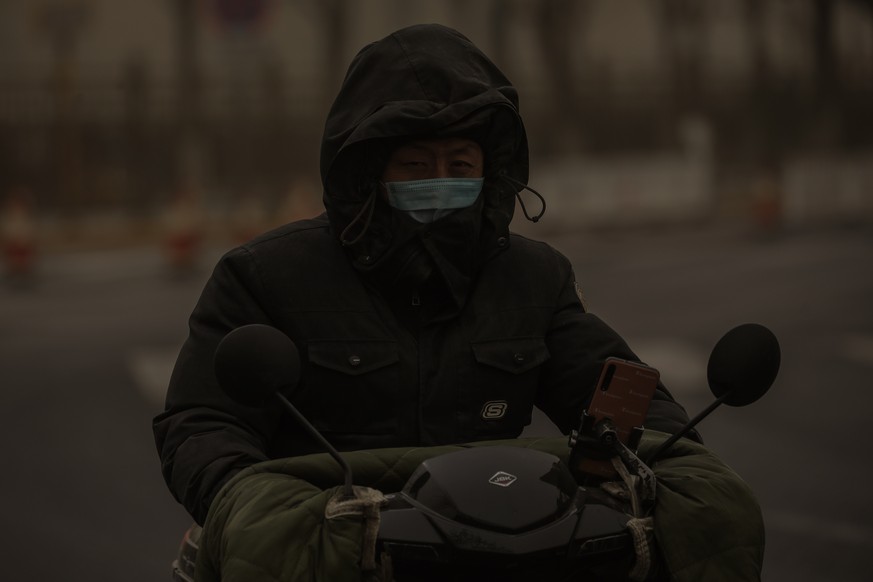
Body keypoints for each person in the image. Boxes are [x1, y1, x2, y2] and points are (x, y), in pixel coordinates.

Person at [153, 23, 697, 527]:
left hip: (497, 545)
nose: (440, 180)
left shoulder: (534, 278)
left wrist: (677, 467)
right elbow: (203, 423)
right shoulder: (264, 277)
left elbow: (624, 401)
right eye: (415, 165)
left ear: (490, 170)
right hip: (323, 551)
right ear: (368, 172)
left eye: (460, 165)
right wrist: (251, 507)